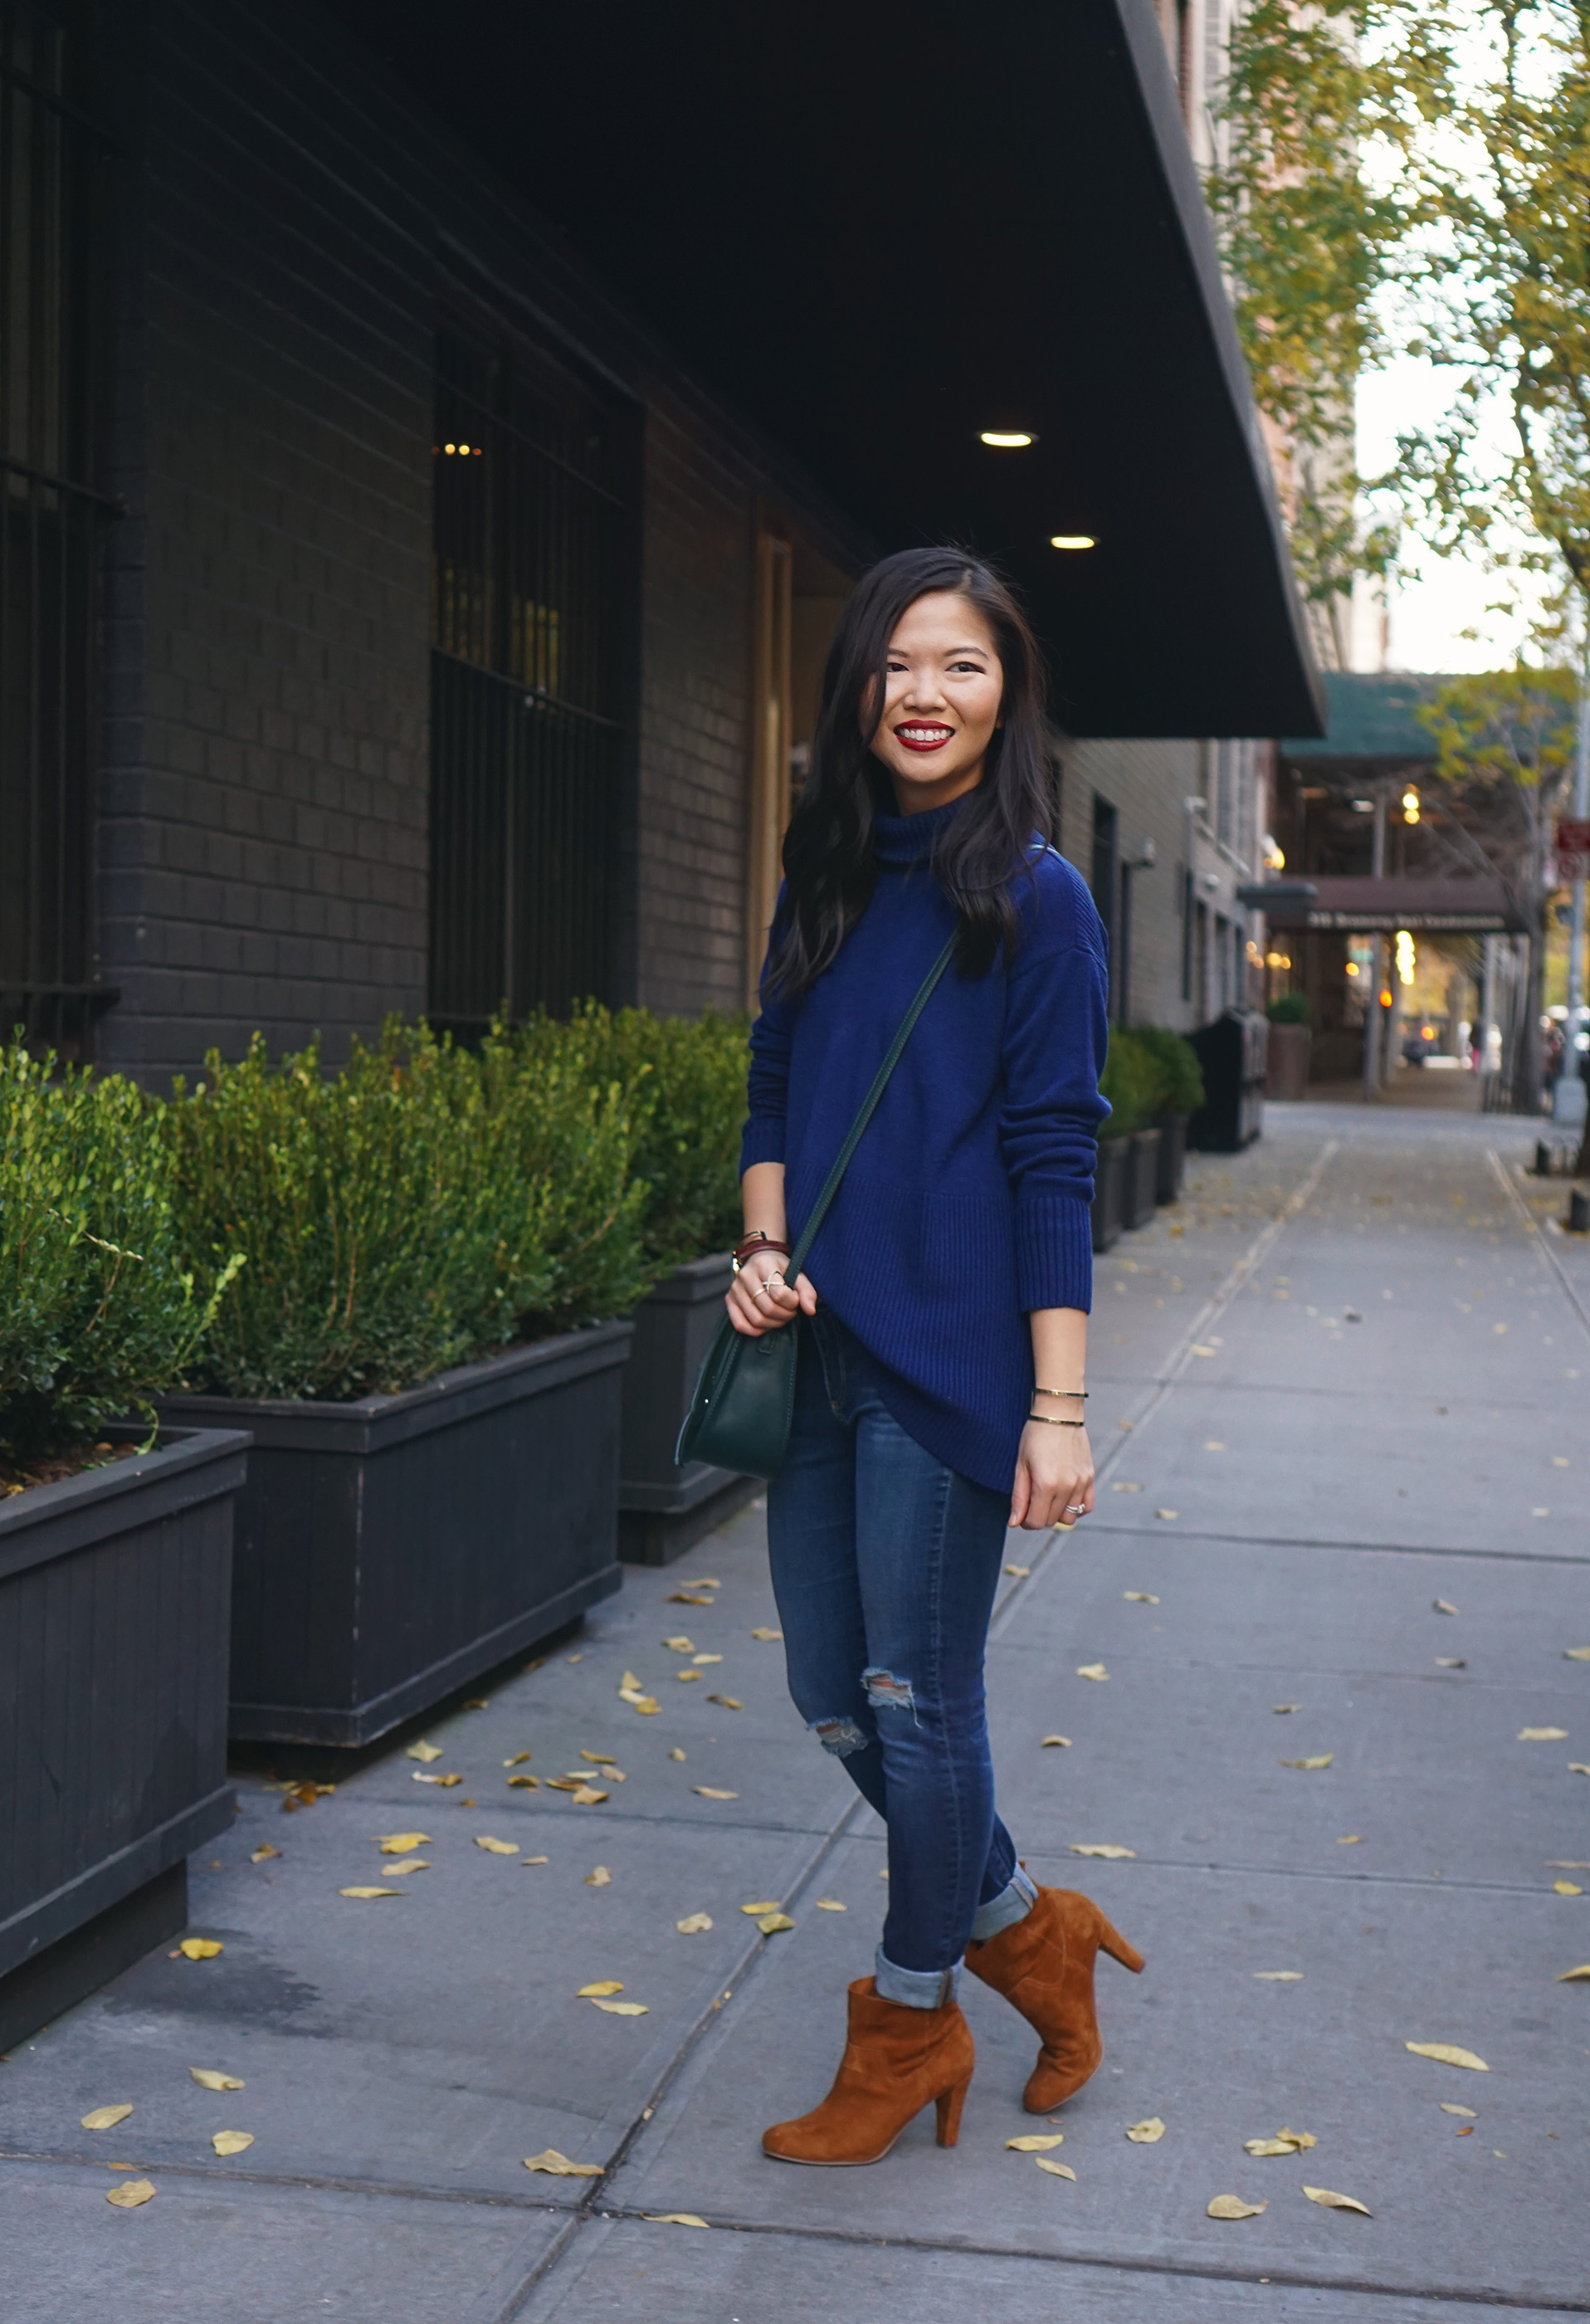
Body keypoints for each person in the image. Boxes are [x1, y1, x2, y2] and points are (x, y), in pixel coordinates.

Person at [730, 545, 1144, 2169]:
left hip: (957, 1366)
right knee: (834, 1695)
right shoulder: (823, 863)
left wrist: (1059, 1405)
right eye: (898, 662)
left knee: (919, 1695)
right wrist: (764, 1252)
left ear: (1004, 692)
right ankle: (1029, 1927)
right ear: (855, 685)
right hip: (818, 1350)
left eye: (960, 664)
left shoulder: (1035, 894)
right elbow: (770, 1082)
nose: (923, 692)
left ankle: (909, 2021)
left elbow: (1056, 1153)